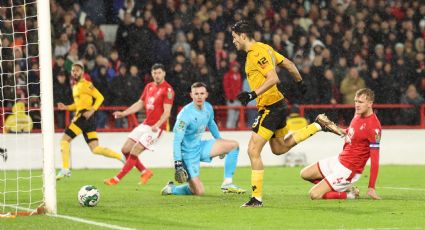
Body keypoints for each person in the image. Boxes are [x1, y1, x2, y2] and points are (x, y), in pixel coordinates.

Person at [231, 20, 344, 207]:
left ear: (243, 36)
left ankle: (256, 198)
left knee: (253, 150)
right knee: (279, 148)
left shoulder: (256, 53)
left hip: (271, 107)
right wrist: (300, 82)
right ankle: (317, 125)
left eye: (234, 37)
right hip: (278, 105)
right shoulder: (265, 48)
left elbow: (273, 77)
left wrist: (252, 94)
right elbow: (289, 64)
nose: (233, 41)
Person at [161, 82, 245, 196]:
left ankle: (227, 183)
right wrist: (178, 163)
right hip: (187, 154)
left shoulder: (208, 108)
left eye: (201, 93)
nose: (199, 96)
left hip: (199, 146)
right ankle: (171, 189)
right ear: (191, 95)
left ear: (206, 95)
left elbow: (211, 124)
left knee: (233, 145)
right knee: (198, 192)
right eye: (196, 94)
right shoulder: (184, 115)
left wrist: (220, 140)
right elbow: (177, 141)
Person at [300, 88, 382, 200]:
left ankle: (349, 194)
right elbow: (350, 132)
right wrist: (332, 128)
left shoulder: (374, 127)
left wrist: (371, 187)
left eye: (361, 102)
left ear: (370, 104)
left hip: (349, 170)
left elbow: (375, 160)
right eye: (356, 101)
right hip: (339, 160)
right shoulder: (357, 115)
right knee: (305, 174)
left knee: (314, 195)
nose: (357, 105)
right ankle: (339, 187)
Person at [104, 63, 174, 185]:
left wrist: (157, 124)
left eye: (159, 73)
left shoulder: (168, 90)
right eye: (154, 73)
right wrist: (124, 113)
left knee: (135, 150)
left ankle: (116, 179)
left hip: (156, 128)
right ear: (152, 74)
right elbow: (140, 103)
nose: (156, 75)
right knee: (125, 149)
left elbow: (167, 112)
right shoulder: (149, 87)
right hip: (145, 124)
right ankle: (144, 171)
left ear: (164, 73)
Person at [56, 61, 125, 180]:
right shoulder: (75, 86)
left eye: (77, 70)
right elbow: (78, 105)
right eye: (73, 70)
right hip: (88, 120)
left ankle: (66, 169)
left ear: (82, 72)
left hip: (83, 117)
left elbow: (100, 97)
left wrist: (92, 110)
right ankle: (120, 157)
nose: (75, 72)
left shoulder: (87, 84)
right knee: (95, 148)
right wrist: (66, 107)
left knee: (64, 141)